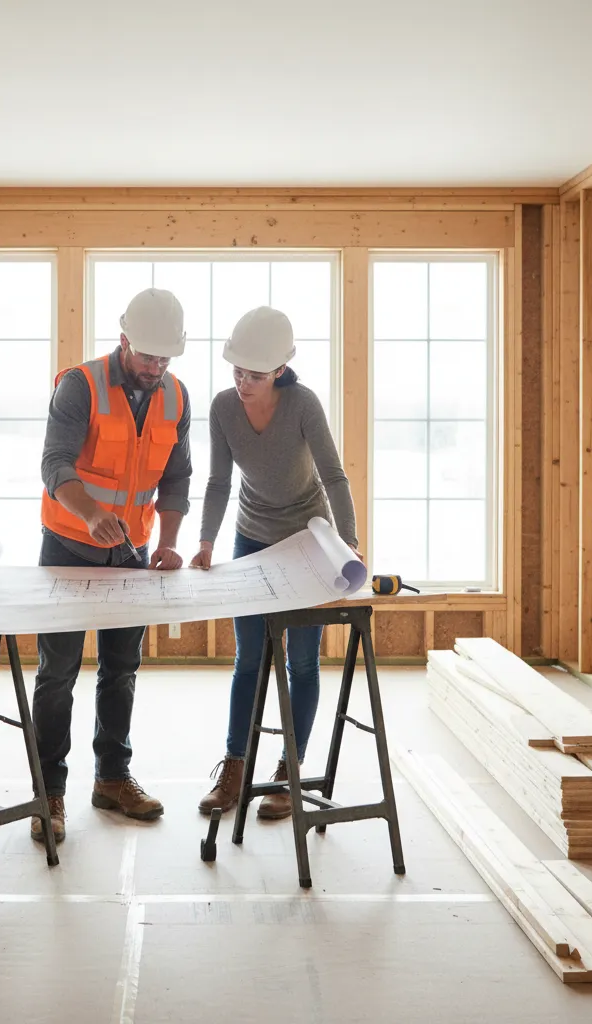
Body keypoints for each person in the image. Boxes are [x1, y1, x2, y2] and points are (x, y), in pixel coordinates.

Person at [31, 288, 192, 843]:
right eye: (148, 356)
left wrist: (169, 541)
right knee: (57, 676)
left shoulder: (175, 396)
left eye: (165, 358)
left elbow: (175, 478)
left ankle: (112, 778)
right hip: (69, 548)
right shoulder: (81, 384)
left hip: (133, 553)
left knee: (121, 669)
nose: (156, 367)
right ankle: (47, 791)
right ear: (123, 340)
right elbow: (54, 463)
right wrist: (92, 513)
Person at [191, 306, 361, 821]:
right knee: (248, 658)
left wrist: (348, 543)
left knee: (303, 661)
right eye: (237, 372)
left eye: (256, 375)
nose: (244, 383)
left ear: (280, 371)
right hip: (251, 538)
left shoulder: (303, 404)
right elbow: (220, 482)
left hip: (308, 539)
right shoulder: (222, 408)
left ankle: (290, 771)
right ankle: (235, 767)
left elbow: (334, 476)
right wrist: (205, 542)